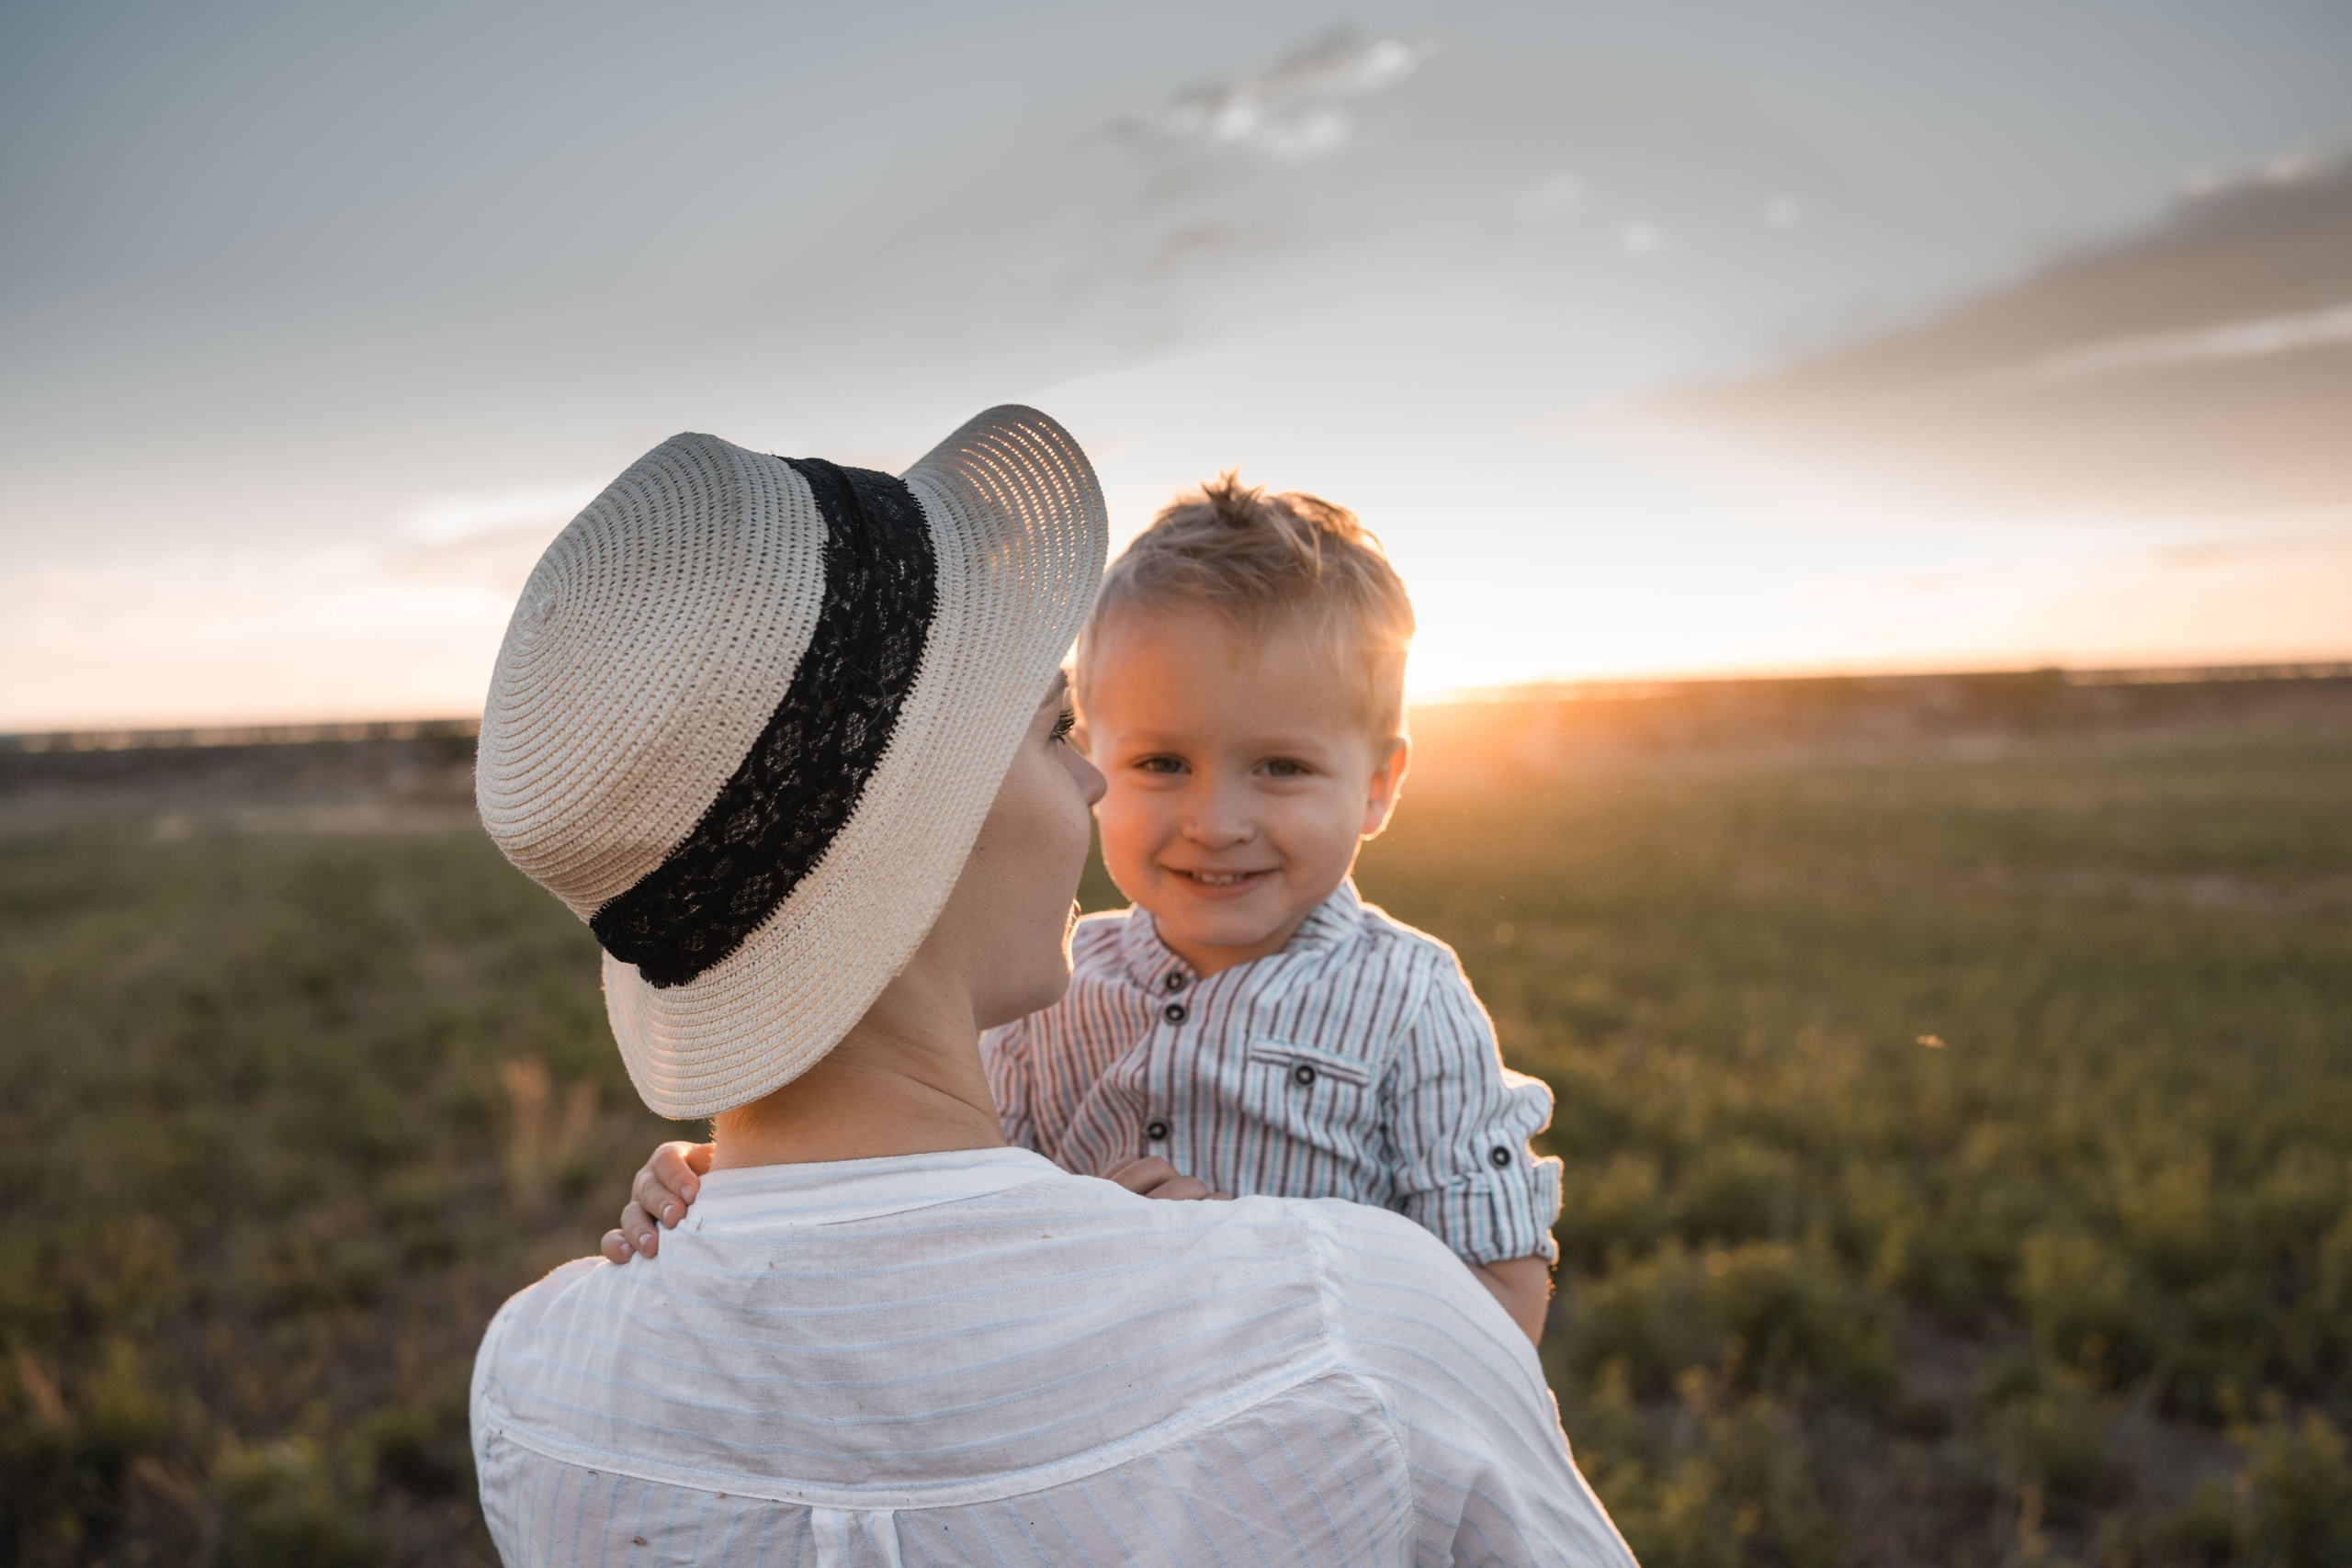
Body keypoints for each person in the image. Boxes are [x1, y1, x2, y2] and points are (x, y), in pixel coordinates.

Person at [469, 407, 1635, 1562]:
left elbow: (912, 1192)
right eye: (1060, 732)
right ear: (931, 814)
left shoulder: (528, 1394)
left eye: (1278, 766)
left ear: (1378, 785)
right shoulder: (1367, 1328)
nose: (1096, 784)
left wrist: (729, 1192)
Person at [614, 474, 1561, 1341]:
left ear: (1379, 786)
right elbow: (934, 1202)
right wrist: (743, 1189)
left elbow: (1502, 1307)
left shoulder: (1408, 1001)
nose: (1215, 821)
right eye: (1161, 764)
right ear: (1090, 754)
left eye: (1281, 767)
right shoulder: (1043, 999)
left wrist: (1249, 1269)